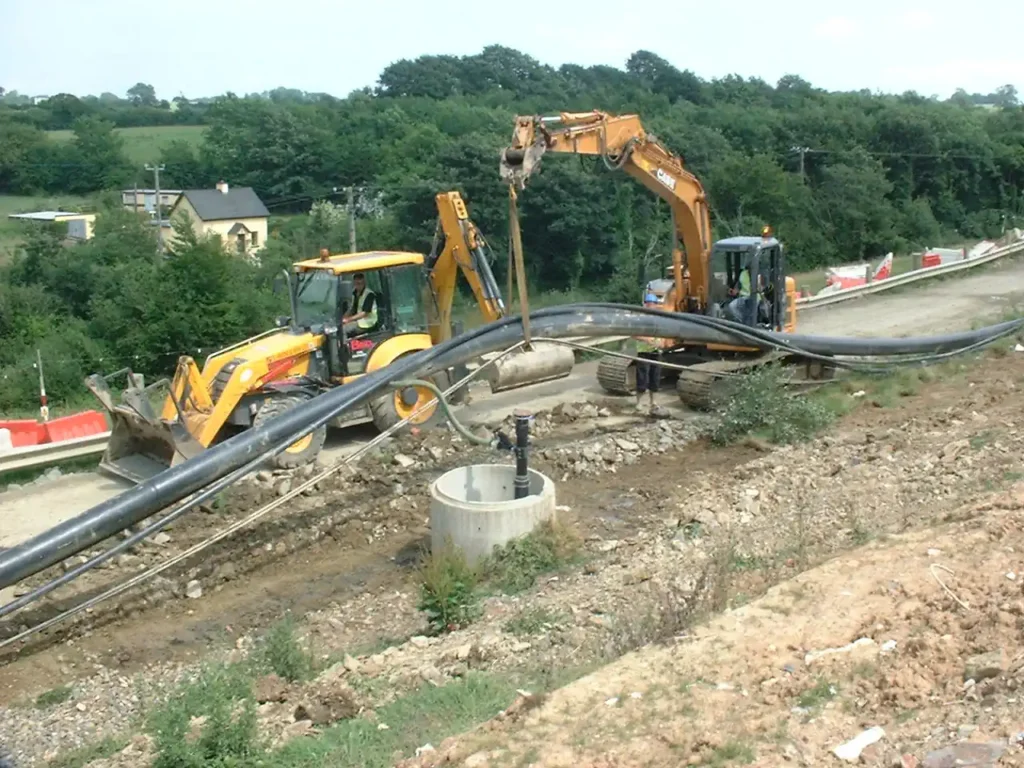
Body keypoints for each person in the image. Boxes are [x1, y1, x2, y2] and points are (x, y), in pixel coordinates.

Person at [342, 272, 378, 337]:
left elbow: (364, 313)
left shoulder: (369, 294)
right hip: (358, 320)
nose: (358, 286)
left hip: (366, 323)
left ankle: (343, 343)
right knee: (338, 327)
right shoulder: (354, 292)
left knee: (343, 330)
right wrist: (343, 318)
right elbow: (352, 308)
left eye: (360, 283)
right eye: (356, 284)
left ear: (364, 283)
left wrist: (348, 319)